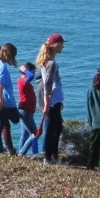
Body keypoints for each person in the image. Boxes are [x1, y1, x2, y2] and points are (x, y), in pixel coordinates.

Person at [36, 33, 67, 163]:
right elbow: (48, 82)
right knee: (52, 129)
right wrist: (47, 100)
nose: (63, 47)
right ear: (55, 45)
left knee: (57, 127)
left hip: (54, 99)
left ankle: (53, 155)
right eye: (61, 44)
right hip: (52, 100)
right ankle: (49, 157)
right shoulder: (51, 63)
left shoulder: (47, 61)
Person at [0, 43, 18, 154]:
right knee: (15, 119)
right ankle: (4, 149)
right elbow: (1, 85)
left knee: (2, 124)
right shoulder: (2, 67)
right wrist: (1, 100)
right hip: (4, 99)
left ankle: (1, 150)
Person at [17, 61, 40, 156]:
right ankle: (22, 153)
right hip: (25, 111)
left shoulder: (22, 81)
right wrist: (25, 70)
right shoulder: (23, 81)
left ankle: (21, 153)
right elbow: (30, 76)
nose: (34, 74)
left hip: (26, 111)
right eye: (33, 72)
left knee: (25, 135)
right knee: (36, 134)